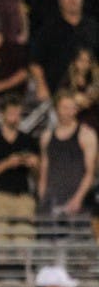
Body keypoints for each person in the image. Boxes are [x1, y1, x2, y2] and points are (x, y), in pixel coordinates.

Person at [0, 98, 40, 242]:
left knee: (24, 238)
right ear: (3, 115)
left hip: (23, 195)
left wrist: (34, 164)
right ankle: (1, 265)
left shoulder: (28, 140)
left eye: (18, 114)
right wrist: (7, 163)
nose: (15, 118)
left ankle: (23, 265)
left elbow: (39, 173)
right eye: (11, 113)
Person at [29, 0, 98, 104]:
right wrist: (41, 86)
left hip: (90, 97)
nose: (72, 0)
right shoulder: (49, 29)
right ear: (60, 0)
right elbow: (35, 62)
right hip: (58, 96)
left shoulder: (93, 27)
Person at [38, 91, 97, 220]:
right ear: (56, 109)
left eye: (72, 108)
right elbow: (44, 169)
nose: (68, 112)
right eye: (65, 108)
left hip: (78, 201)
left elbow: (90, 172)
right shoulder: (46, 137)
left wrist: (78, 198)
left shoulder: (86, 135)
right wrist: (43, 196)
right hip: (52, 199)